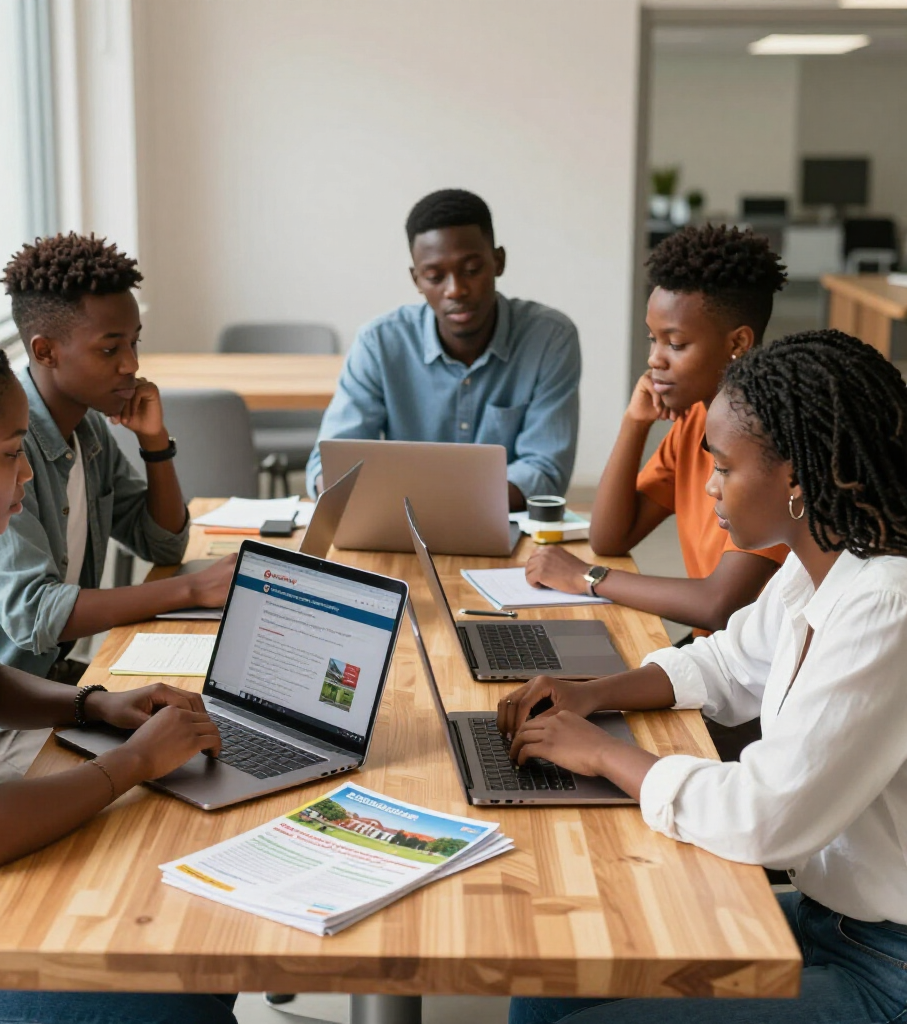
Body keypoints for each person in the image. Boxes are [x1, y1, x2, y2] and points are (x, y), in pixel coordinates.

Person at [500, 329, 907, 1024]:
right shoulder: (821, 568)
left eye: (723, 468)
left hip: (888, 969)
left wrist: (602, 752)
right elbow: (724, 661)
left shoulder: (886, 605)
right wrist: (595, 694)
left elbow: (765, 816)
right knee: (550, 984)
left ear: (799, 478)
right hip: (824, 922)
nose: (711, 488)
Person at [0, 318, 238, 1024]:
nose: (25, 472)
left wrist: (96, 707)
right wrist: (134, 762)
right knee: (177, 1006)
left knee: (193, 953)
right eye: (13, 453)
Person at [0, 233, 235, 780]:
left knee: (207, 729)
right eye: (110, 349)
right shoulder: (5, 447)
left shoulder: (89, 431)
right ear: (44, 351)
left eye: (135, 343)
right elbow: (36, 614)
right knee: (162, 785)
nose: (130, 364)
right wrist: (193, 589)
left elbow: (161, 541)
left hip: (63, 691)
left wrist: (155, 444)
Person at [525, 224, 788, 633]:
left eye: (675, 344)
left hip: (755, 672)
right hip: (716, 653)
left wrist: (588, 578)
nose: (654, 360)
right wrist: (634, 423)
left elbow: (720, 605)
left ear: (738, 343)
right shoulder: (693, 423)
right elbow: (611, 537)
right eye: (653, 340)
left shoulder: (772, 441)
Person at [305, 189, 581, 510]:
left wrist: (423, 503)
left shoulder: (550, 338)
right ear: (417, 279)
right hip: (402, 524)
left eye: (472, 269)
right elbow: (329, 466)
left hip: (502, 525)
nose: (456, 290)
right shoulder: (379, 342)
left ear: (498, 261)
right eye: (435, 276)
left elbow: (545, 471)